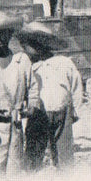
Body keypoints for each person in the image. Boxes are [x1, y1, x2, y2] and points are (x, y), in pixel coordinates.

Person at [0, 11, 40, 175]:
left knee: (15, 167)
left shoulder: (21, 60)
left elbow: (32, 86)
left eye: (3, 34)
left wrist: (33, 105)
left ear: (10, 34)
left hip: (16, 124)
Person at [17, 21, 84, 170]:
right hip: (38, 113)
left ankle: (65, 173)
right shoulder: (27, 66)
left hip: (62, 111)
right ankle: (31, 173)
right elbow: (22, 88)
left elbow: (76, 87)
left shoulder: (64, 62)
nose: (28, 49)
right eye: (27, 45)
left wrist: (76, 110)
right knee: (34, 147)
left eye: (34, 44)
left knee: (63, 146)